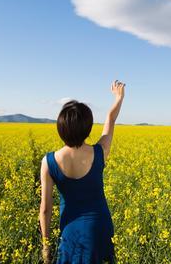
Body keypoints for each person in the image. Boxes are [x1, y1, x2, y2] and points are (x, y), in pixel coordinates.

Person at [39, 80, 125, 264]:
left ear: (60, 129)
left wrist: (46, 245)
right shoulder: (100, 152)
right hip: (100, 227)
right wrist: (118, 98)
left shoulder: (48, 162)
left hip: (71, 231)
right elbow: (110, 119)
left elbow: (45, 209)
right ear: (88, 128)